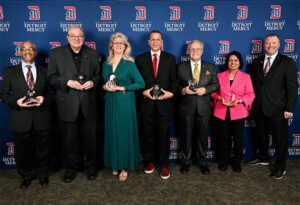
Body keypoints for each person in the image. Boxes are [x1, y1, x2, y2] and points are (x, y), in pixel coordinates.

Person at [47, 26, 100, 183]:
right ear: (67, 36)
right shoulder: (56, 53)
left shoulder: (92, 53)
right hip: (67, 105)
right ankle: (70, 169)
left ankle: (91, 167)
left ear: (83, 37)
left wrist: (92, 82)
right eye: (73, 35)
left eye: (80, 36)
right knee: (69, 141)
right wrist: (68, 82)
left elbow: (98, 76)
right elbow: (51, 77)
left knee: (90, 140)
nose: (77, 38)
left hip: (88, 105)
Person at [1, 41, 51, 189]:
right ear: (20, 52)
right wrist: (17, 102)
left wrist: (44, 99)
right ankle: (26, 175)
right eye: (24, 49)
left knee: (43, 148)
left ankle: (42, 174)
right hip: (20, 116)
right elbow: (3, 94)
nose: (27, 51)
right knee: (22, 150)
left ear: (35, 52)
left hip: (41, 116)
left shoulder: (45, 71)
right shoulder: (9, 71)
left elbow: (52, 93)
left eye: (31, 49)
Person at [249, 34, 298, 179]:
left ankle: (280, 166)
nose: (271, 45)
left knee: (280, 139)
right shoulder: (256, 61)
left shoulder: (287, 62)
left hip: (278, 108)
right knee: (261, 135)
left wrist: (289, 108)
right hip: (259, 107)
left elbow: (292, 87)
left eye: (274, 43)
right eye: (268, 43)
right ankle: (263, 158)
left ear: (279, 44)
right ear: (264, 45)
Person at [102, 32, 145, 181]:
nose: (118, 45)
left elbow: (141, 83)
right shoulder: (106, 63)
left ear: (125, 46)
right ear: (111, 46)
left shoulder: (129, 63)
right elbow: (104, 83)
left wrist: (122, 88)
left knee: (124, 133)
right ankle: (115, 164)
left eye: (121, 43)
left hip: (125, 102)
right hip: (110, 102)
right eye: (116, 42)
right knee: (112, 132)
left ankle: (125, 167)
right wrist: (105, 87)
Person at [135, 30, 177, 179]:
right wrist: (143, 92)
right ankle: (150, 161)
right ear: (148, 41)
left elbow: (174, 81)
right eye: (152, 39)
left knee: (163, 135)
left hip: (164, 104)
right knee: (148, 135)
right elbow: (136, 82)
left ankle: (164, 164)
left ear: (162, 42)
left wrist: (171, 93)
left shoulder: (170, 59)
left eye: (158, 39)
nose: (155, 42)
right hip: (146, 103)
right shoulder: (139, 59)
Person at [177, 40, 219, 175]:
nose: (195, 51)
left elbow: (216, 85)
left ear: (202, 51)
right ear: (188, 51)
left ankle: (203, 162)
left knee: (202, 137)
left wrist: (205, 90)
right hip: (186, 108)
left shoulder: (210, 67)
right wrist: (183, 90)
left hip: (204, 108)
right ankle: (186, 162)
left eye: (198, 49)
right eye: (192, 49)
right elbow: (174, 85)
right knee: (186, 137)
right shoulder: (180, 67)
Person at [211, 51, 255, 173]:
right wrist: (219, 98)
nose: (233, 63)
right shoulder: (219, 76)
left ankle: (237, 162)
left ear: (240, 62)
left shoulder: (246, 77)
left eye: (236, 60)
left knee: (238, 138)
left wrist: (240, 101)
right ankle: (223, 161)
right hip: (221, 110)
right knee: (223, 138)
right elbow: (213, 92)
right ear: (227, 62)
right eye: (230, 60)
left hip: (238, 111)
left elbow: (251, 94)